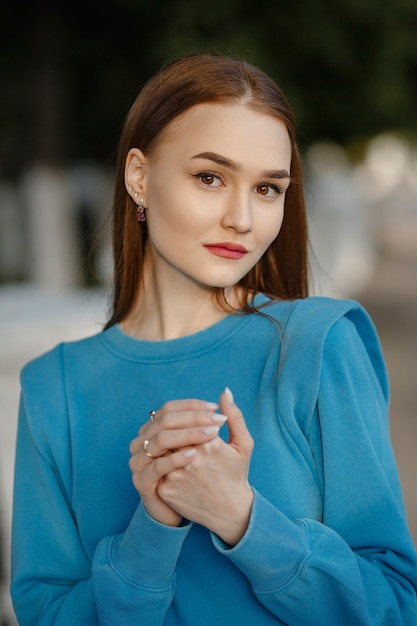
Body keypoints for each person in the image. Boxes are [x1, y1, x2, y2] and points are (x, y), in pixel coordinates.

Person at [10, 53, 417, 625]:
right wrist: (150, 532)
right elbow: (47, 613)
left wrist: (244, 518)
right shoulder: (54, 387)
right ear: (138, 177)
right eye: (210, 177)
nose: (243, 219)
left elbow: (396, 605)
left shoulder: (320, 345)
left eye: (268, 189)